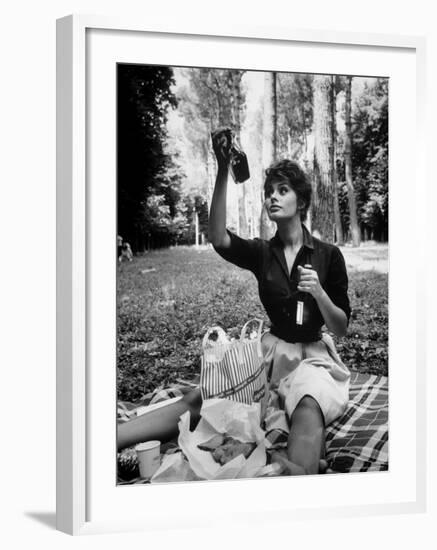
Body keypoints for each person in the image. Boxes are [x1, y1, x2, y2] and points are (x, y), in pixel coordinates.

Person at [118, 129, 351, 477]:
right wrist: (222, 169)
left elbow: (341, 327)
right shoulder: (261, 253)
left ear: (300, 202)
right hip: (270, 352)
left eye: (282, 190)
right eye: (269, 191)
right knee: (204, 398)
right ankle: (108, 438)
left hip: (312, 355)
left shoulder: (329, 256)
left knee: (308, 401)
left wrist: (319, 292)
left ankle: (298, 474)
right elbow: (218, 236)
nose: (272, 197)